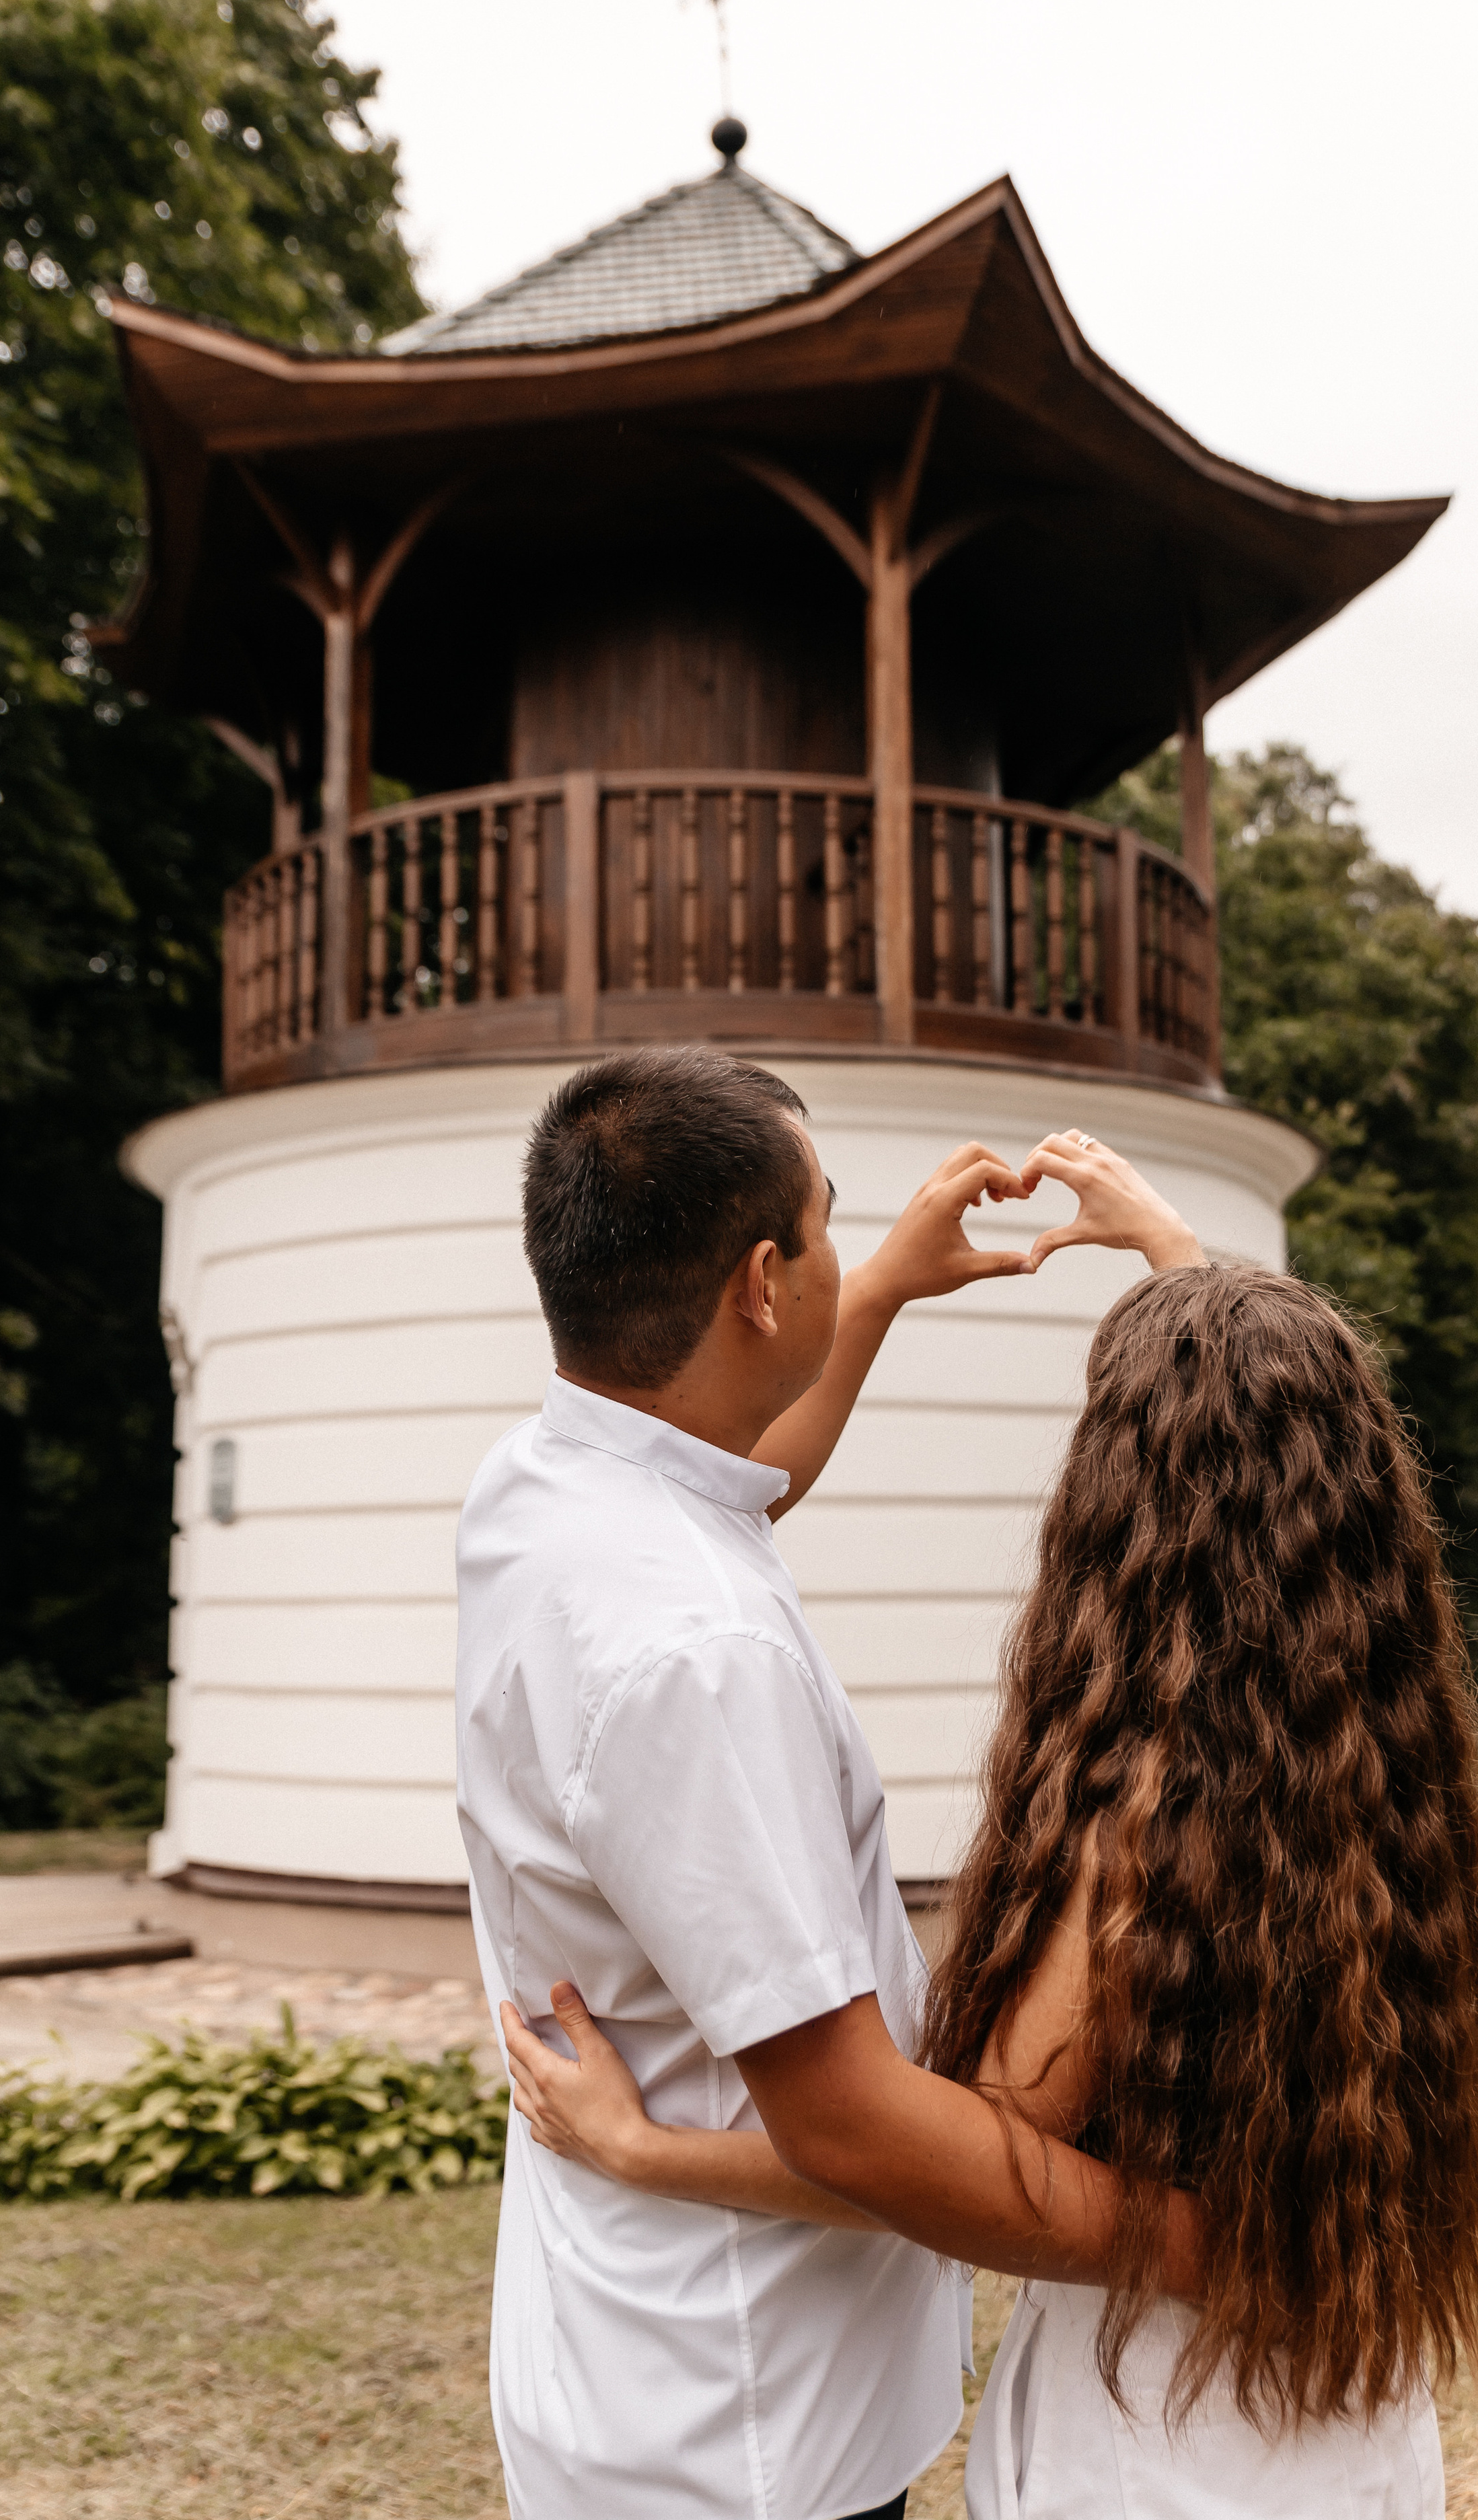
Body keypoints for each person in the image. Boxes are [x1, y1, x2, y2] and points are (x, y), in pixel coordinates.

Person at [502, 1139, 1478, 2520]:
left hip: (1154, 2458)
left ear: (1117, 1505)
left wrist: (645, 2153)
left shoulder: (1147, 1825)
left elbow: (959, 2161)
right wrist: (1173, 1248)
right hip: (1354, 2443)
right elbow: (1286, 1433)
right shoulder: (1380, 1774)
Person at [457, 1047, 1204, 2520]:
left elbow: (742, 1479)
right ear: (754, 1281)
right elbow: (851, 2123)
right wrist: (1208, 2247)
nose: (839, 1248)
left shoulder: (549, 1484)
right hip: (743, 2431)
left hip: (634, 2358)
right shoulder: (697, 1657)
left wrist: (877, 1297)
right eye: (824, 1225)